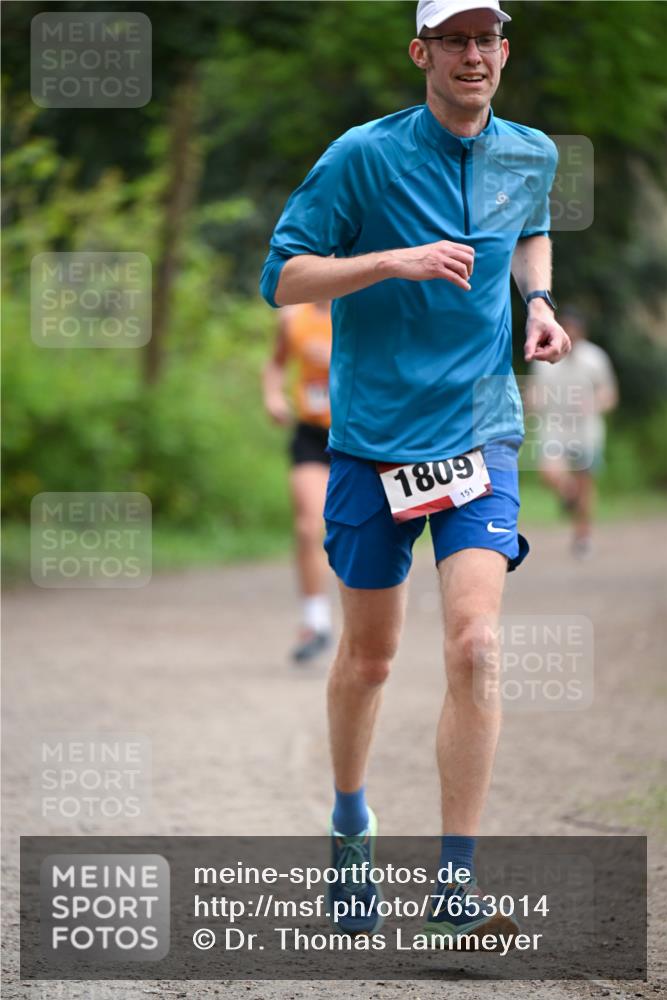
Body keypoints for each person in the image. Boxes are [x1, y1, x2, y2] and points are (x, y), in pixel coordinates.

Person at [260, 0, 571, 941]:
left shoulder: (531, 152)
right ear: (420, 53)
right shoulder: (362, 154)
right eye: (454, 40)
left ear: (504, 52)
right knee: (370, 657)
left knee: (475, 645)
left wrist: (540, 301)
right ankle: (351, 829)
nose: (473, 55)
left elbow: (530, 229)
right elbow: (283, 276)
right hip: (370, 436)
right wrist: (387, 261)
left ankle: (455, 886)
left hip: (479, 429)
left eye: (487, 40)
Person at [262, 300, 334, 662]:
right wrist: (273, 396)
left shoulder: (367, 307)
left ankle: (368, 624)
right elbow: (275, 364)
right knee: (308, 527)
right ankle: (315, 621)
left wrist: (337, 360)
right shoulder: (293, 317)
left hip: (361, 435)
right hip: (312, 436)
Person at [527, 305, 618, 557]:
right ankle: (568, 492)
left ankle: (582, 535)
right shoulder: (545, 356)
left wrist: (595, 403)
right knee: (549, 472)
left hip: (586, 429)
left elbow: (610, 394)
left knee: (585, 483)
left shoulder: (595, 358)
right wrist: (531, 403)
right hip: (554, 426)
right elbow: (535, 390)